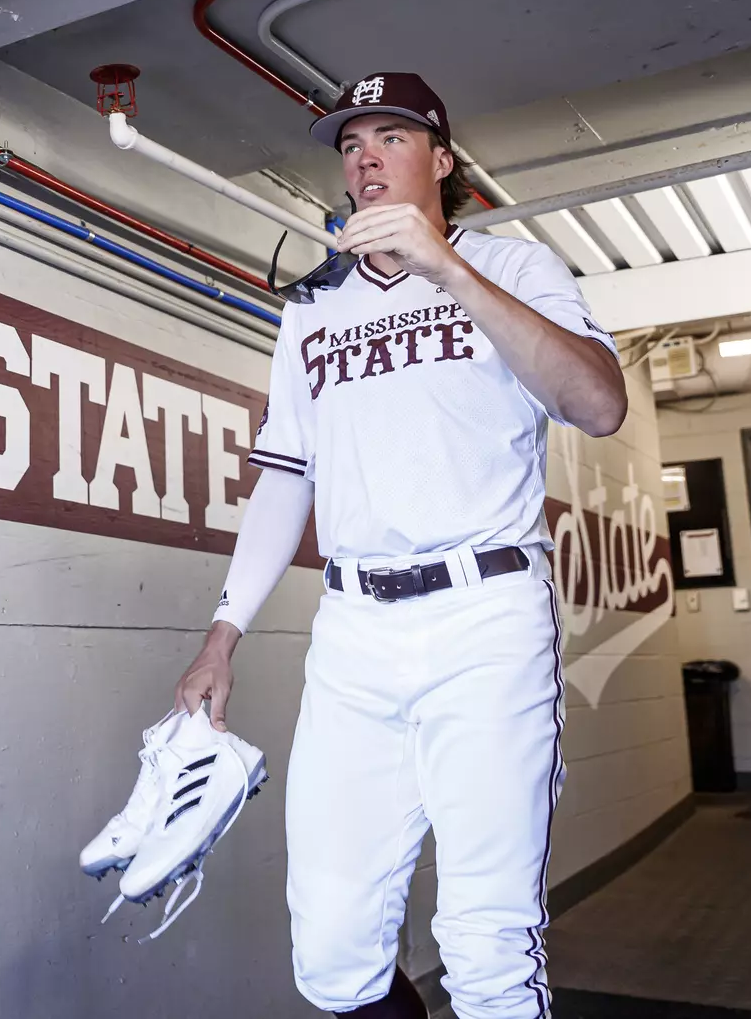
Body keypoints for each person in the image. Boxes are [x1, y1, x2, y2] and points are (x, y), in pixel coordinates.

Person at [173, 73, 627, 1018]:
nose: (364, 154)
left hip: (484, 616)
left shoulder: (514, 268)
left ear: (441, 159)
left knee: (487, 945)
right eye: (349, 143)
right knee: (332, 948)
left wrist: (448, 270)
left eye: (390, 135)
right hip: (353, 629)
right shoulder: (310, 308)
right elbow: (284, 477)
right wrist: (224, 631)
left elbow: (597, 404)